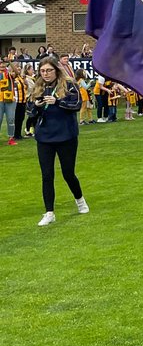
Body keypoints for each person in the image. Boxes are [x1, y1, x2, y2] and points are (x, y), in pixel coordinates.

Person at [25, 57, 89, 226]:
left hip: (66, 135)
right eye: (42, 71)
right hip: (44, 137)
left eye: (49, 70)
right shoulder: (37, 86)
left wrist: (58, 101)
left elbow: (76, 105)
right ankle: (49, 212)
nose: (45, 74)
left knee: (68, 173)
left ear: (56, 70)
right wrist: (36, 105)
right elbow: (29, 111)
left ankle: (80, 200)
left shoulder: (69, 84)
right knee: (47, 175)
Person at [0, 64, 16, 145]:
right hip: (0, 99)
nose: (2, 65)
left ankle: (11, 138)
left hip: (10, 99)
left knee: (10, 119)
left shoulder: (9, 74)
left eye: (4, 64)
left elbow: (16, 72)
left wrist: (10, 62)